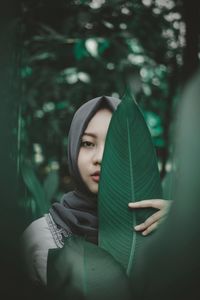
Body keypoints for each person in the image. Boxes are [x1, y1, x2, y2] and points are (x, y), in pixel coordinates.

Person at [21, 95, 170, 287]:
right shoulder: (38, 239)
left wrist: (183, 228)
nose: (100, 157)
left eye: (115, 144)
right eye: (88, 143)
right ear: (73, 150)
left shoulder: (160, 228)